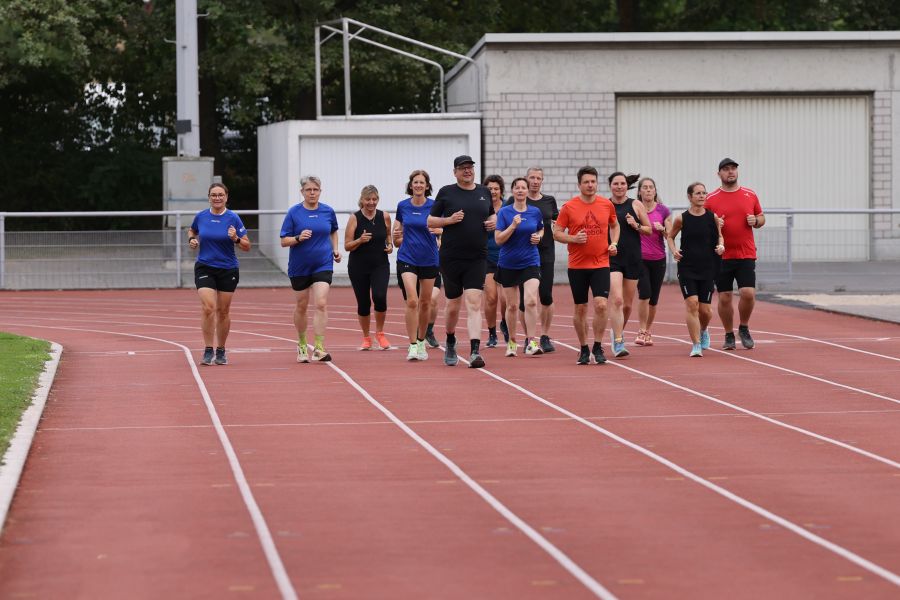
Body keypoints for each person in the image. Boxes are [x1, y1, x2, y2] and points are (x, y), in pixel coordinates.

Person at [428, 155, 496, 368]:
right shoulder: (446, 192)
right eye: (463, 168)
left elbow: (492, 215)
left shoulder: (484, 192)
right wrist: (448, 220)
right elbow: (430, 220)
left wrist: (493, 222)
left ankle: (475, 351)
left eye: (470, 167)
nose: (467, 171)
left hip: (477, 257)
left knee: (474, 302)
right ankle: (450, 339)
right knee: (453, 306)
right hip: (451, 257)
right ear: (455, 172)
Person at [553, 166, 620, 365]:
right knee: (580, 308)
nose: (590, 185)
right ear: (579, 185)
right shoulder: (569, 207)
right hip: (577, 266)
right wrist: (573, 238)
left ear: (597, 183)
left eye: (593, 182)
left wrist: (614, 243)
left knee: (601, 305)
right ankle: (583, 348)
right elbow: (557, 233)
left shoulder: (606, 204)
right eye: (586, 182)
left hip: (601, 263)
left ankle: (598, 347)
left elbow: (615, 225)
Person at [705, 158, 765, 350]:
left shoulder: (750, 194)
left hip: (746, 252)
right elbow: (702, 223)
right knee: (724, 297)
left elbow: (761, 217)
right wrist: (714, 225)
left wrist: (756, 220)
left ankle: (744, 327)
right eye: (726, 169)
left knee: (748, 293)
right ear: (719, 174)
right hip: (722, 254)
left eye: (733, 169)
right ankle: (729, 334)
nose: (730, 172)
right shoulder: (711, 198)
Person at [188, 183, 251, 366]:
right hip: (205, 266)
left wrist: (236, 238)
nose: (217, 198)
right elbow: (192, 230)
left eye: (220, 195)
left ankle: (221, 349)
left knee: (223, 311)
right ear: (209, 197)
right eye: (214, 195)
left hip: (227, 268)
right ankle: (208, 349)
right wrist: (192, 239)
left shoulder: (233, 218)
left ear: (226, 197)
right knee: (208, 307)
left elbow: (247, 246)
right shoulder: (201, 216)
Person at [280, 175, 341, 363]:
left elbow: (333, 231)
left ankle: (319, 347)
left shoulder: (328, 211)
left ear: (320, 191)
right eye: (308, 190)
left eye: (315, 189)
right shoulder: (294, 213)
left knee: (321, 303)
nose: (312, 193)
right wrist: (298, 238)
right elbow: (284, 241)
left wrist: (335, 249)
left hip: (323, 263)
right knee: (302, 305)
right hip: (300, 266)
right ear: (302, 192)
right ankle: (301, 343)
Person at [667, 182, 725, 356]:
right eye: (698, 193)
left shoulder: (712, 217)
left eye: (703, 193)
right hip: (687, 267)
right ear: (690, 197)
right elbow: (670, 237)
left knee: (705, 311)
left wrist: (721, 246)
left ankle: (703, 329)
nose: (701, 196)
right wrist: (674, 251)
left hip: (708, 267)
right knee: (692, 304)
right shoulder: (682, 218)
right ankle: (696, 344)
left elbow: (720, 236)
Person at [393, 169, 440, 361]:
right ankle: (412, 344)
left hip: (429, 258)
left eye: (422, 182)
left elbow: (444, 229)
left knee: (425, 302)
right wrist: (397, 237)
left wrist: (440, 231)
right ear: (410, 185)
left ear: (427, 186)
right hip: (407, 258)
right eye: (416, 182)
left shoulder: (435, 206)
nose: (419, 185)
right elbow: (396, 239)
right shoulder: (402, 206)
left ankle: (421, 341)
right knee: (412, 300)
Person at [495, 177, 544, 357]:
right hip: (508, 263)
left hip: (530, 261)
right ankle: (512, 341)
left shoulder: (535, 212)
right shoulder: (504, 212)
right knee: (512, 306)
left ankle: (531, 341)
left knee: (531, 300)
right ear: (513, 191)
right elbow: (498, 240)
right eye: (517, 188)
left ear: (527, 191)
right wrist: (513, 226)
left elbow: (541, 228)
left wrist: (539, 236)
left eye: (524, 188)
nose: (521, 190)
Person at [607, 171, 651, 358]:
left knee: (626, 305)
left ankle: (617, 331)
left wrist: (636, 225)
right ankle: (618, 341)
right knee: (617, 300)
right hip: (612, 258)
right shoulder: (605, 205)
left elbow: (649, 230)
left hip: (632, 258)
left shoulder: (636, 204)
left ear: (627, 186)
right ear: (610, 186)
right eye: (616, 184)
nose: (619, 187)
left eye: (622, 184)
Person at [345, 184, 393, 351]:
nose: (371, 202)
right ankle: (366, 337)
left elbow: (388, 235)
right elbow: (347, 246)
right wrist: (360, 240)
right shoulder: (355, 218)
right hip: (358, 266)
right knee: (364, 302)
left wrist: (390, 245)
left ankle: (380, 333)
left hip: (380, 264)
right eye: (368, 199)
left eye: (374, 199)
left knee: (380, 296)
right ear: (362, 200)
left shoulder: (384, 216)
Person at [524, 167, 560, 353]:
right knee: (525, 300)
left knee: (546, 295)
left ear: (542, 180)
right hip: (524, 253)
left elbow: (558, 220)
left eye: (538, 178)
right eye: (532, 177)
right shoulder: (518, 200)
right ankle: (528, 337)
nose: (535, 181)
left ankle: (545, 336)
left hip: (546, 252)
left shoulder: (549, 201)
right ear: (526, 179)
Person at [635, 177, 672, 347]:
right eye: (645, 187)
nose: (648, 190)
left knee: (654, 298)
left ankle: (648, 330)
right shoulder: (635, 208)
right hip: (640, 258)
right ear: (640, 191)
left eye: (651, 187)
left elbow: (670, 234)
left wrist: (662, 229)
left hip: (658, 258)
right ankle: (642, 330)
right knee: (645, 293)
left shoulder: (663, 210)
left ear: (655, 191)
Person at [483, 174, 507, 348]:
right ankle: (492, 332)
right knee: (491, 298)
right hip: (486, 256)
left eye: (496, 189)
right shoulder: (481, 207)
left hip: (506, 255)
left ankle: (505, 322)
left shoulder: (508, 208)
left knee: (505, 299)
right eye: (490, 189)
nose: (493, 191)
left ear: (501, 190)